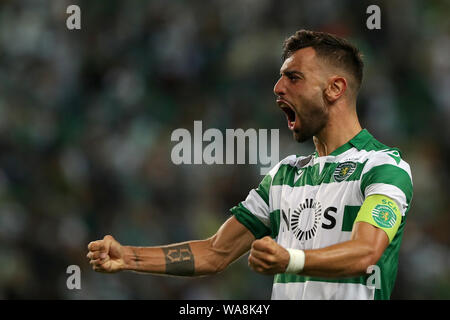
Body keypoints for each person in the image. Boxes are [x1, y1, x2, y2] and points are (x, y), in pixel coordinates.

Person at [87, 30, 413, 300]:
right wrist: (129, 257)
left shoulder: (383, 168)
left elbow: (366, 251)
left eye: (294, 78)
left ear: (335, 88)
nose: (278, 87)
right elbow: (216, 252)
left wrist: (291, 259)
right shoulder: (284, 176)